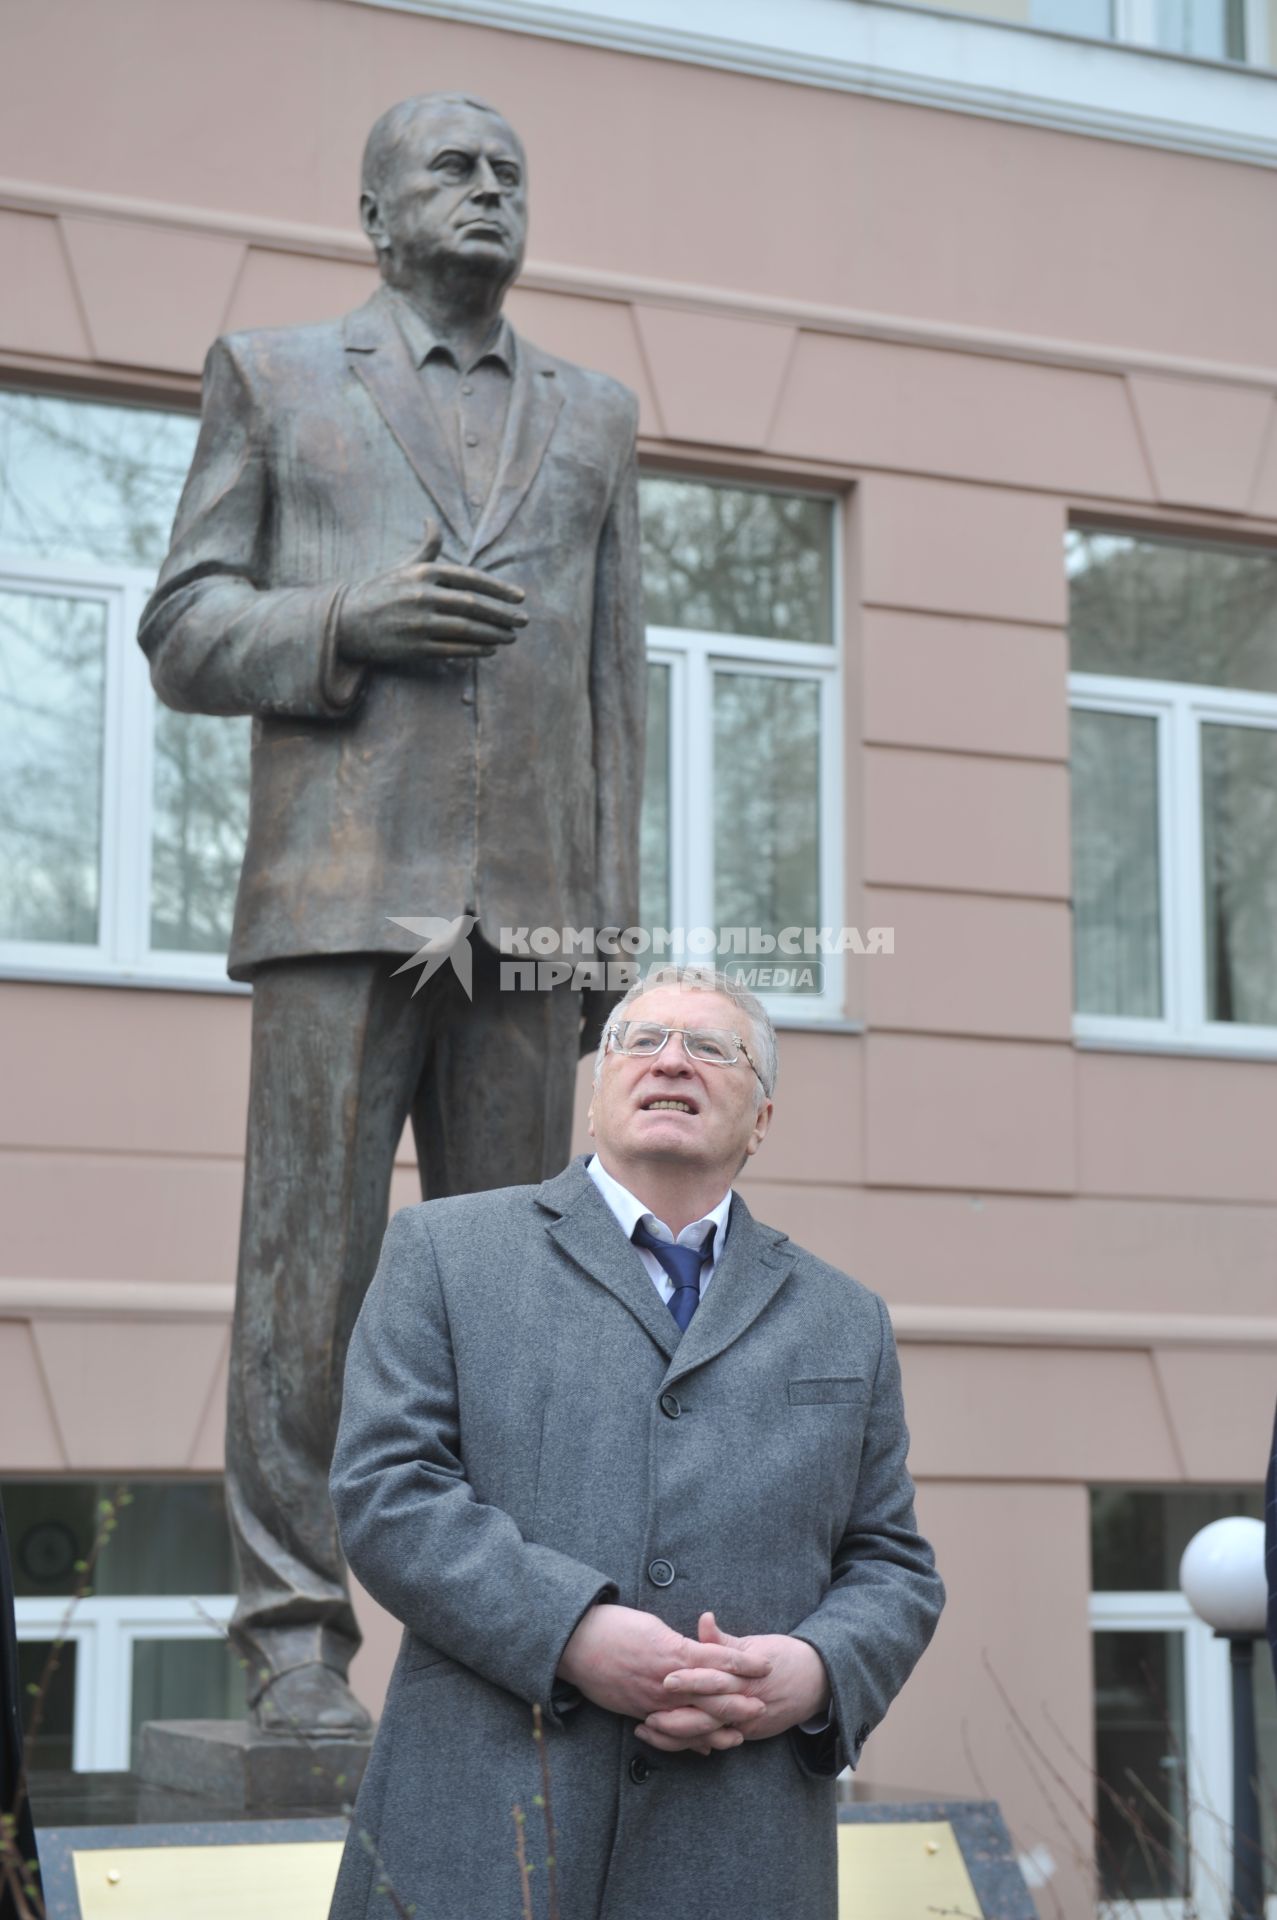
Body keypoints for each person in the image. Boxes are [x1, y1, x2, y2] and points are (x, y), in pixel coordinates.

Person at [139, 93, 645, 1733]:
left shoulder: (595, 416)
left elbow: (610, 689)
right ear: (372, 213)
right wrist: (347, 619)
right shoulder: (276, 377)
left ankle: (523, 1625)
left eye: (511, 168)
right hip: (339, 902)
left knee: (531, 1293)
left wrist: (607, 937)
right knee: (309, 1274)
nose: (489, 188)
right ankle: (294, 1628)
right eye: (451, 167)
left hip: (531, 916)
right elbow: (184, 633)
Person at [329, 964, 944, 1920]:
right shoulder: (445, 1254)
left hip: (741, 1850)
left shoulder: (844, 1318)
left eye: (711, 1048)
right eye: (641, 1040)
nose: (672, 1063)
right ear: (596, 1093)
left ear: (762, 1121)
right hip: (487, 1837)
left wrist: (815, 1671)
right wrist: (572, 1633)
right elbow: (388, 1490)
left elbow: (892, 1564)